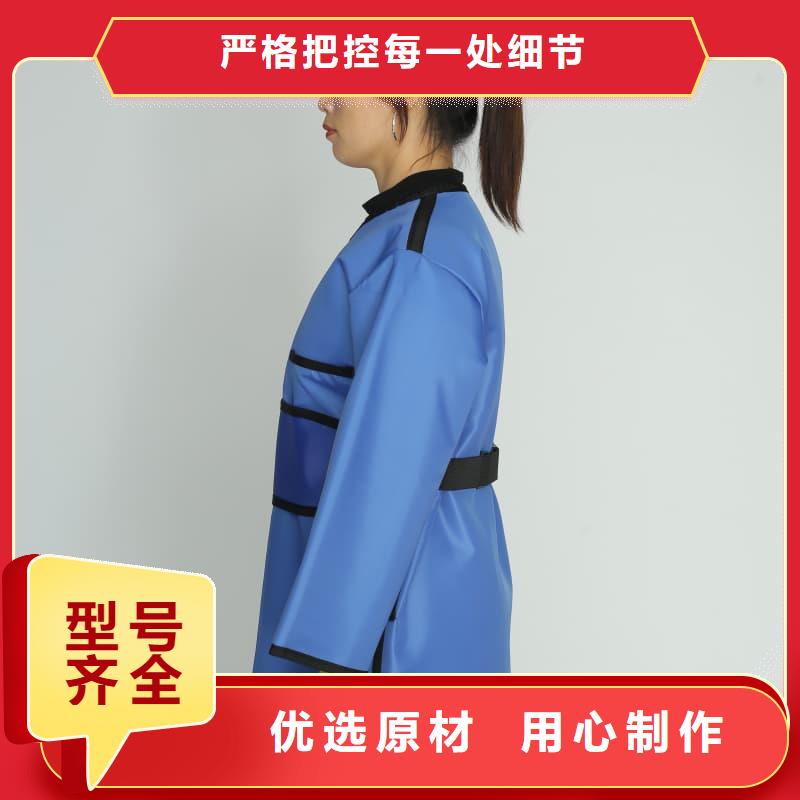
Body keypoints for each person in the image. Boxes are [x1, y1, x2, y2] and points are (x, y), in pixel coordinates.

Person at [252, 96, 524, 673]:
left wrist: (317, 670)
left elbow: (388, 479)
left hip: (396, 619)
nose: (324, 98)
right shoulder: (413, 232)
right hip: (412, 592)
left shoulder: (419, 254)